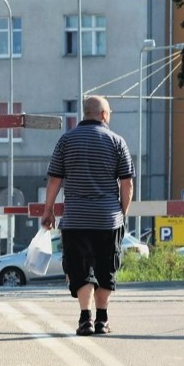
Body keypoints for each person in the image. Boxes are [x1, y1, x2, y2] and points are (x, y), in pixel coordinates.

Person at [40, 95, 134, 336]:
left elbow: (54, 180)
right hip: (107, 219)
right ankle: (102, 320)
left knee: (81, 269)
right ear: (103, 114)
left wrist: (48, 210)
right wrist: (122, 214)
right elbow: (127, 185)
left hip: (76, 220)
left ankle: (85, 320)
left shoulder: (66, 141)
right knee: (106, 268)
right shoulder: (117, 141)